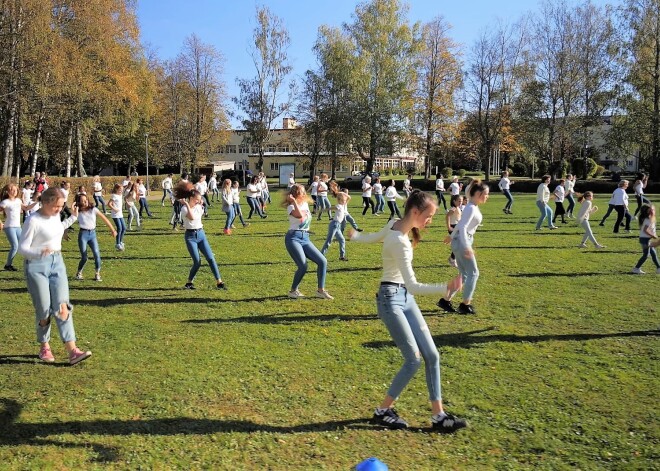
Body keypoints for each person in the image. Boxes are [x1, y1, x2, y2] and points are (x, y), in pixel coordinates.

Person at [349, 190, 466, 433]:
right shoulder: (399, 242)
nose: (430, 221)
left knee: (432, 355)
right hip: (391, 301)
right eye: (429, 216)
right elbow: (413, 284)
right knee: (413, 359)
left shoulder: (395, 224)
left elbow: (376, 237)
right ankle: (383, 411)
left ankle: (439, 416)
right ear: (414, 212)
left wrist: (356, 237)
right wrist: (446, 287)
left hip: (405, 297)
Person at [18, 187, 92, 365]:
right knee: (44, 309)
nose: (60, 209)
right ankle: (44, 345)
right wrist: (39, 252)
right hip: (36, 266)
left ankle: (72, 351)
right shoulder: (33, 220)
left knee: (62, 306)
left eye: (61, 206)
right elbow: (22, 248)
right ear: (46, 202)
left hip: (57, 263)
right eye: (57, 206)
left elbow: (57, 229)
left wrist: (73, 218)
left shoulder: (55, 216)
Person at [437, 180, 489, 315]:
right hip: (463, 242)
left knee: (464, 275)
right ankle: (465, 305)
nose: (487, 197)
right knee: (474, 273)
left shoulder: (472, 205)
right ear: (477, 193)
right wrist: (466, 247)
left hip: (460, 240)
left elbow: (460, 225)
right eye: (486, 194)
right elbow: (463, 226)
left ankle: (445, 300)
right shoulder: (471, 207)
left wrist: (452, 236)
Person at [284, 184, 333, 299]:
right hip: (293, 238)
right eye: (302, 192)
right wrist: (294, 202)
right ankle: (293, 291)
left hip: (305, 238)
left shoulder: (305, 204)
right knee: (303, 265)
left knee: (322, 261)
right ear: (296, 194)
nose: (305, 193)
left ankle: (321, 290)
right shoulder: (291, 207)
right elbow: (299, 215)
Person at [174, 181, 226, 290]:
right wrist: (187, 204)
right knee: (197, 262)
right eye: (197, 199)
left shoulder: (199, 207)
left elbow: (197, 211)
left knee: (211, 258)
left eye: (199, 199)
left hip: (201, 234)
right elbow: (191, 217)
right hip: (190, 236)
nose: (199, 201)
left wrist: (195, 203)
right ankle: (189, 282)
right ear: (191, 198)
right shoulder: (184, 209)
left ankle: (219, 282)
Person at [73, 193, 117, 281]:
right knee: (84, 257)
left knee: (97, 255)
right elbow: (70, 220)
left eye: (86, 200)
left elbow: (105, 219)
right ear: (79, 202)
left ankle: (97, 274)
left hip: (92, 234)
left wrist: (113, 230)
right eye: (82, 201)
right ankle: (79, 273)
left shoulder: (93, 209)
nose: (85, 202)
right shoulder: (78, 211)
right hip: (83, 234)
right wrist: (65, 232)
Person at [1, 183, 37, 271]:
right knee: (15, 246)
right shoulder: (5, 202)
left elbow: (26, 208)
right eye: (11, 190)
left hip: (17, 226)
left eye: (15, 190)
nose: (13, 192)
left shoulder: (18, 200)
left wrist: (37, 202)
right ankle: (8, 265)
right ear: (8, 192)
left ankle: (31, 263)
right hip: (9, 227)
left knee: (25, 244)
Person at [321, 182, 349, 261]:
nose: (345, 201)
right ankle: (321, 255)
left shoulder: (343, 205)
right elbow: (330, 208)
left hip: (338, 226)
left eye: (345, 200)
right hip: (334, 225)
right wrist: (323, 210)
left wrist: (341, 193)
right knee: (329, 241)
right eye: (343, 200)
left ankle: (341, 256)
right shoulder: (339, 206)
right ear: (340, 200)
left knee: (342, 240)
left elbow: (348, 197)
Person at [632, 204, 659, 274]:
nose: (653, 211)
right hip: (645, 240)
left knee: (653, 254)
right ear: (648, 212)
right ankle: (636, 268)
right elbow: (645, 230)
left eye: (653, 209)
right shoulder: (648, 220)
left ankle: (659, 268)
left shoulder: (649, 218)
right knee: (646, 255)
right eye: (651, 210)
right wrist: (653, 235)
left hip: (646, 239)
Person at [107, 183, 126, 250]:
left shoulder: (120, 195)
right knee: (119, 228)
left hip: (120, 214)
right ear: (116, 189)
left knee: (124, 228)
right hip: (115, 215)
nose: (121, 191)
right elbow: (109, 204)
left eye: (122, 190)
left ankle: (120, 241)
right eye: (120, 189)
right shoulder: (114, 196)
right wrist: (114, 209)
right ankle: (117, 244)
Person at [445, 194, 462, 267]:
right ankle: (452, 259)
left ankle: (453, 258)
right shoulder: (453, 208)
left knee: (459, 244)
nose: (460, 202)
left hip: (457, 227)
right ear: (454, 201)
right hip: (453, 227)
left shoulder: (457, 208)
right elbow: (447, 216)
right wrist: (449, 227)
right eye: (459, 201)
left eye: (461, 201)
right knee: (459, 244)